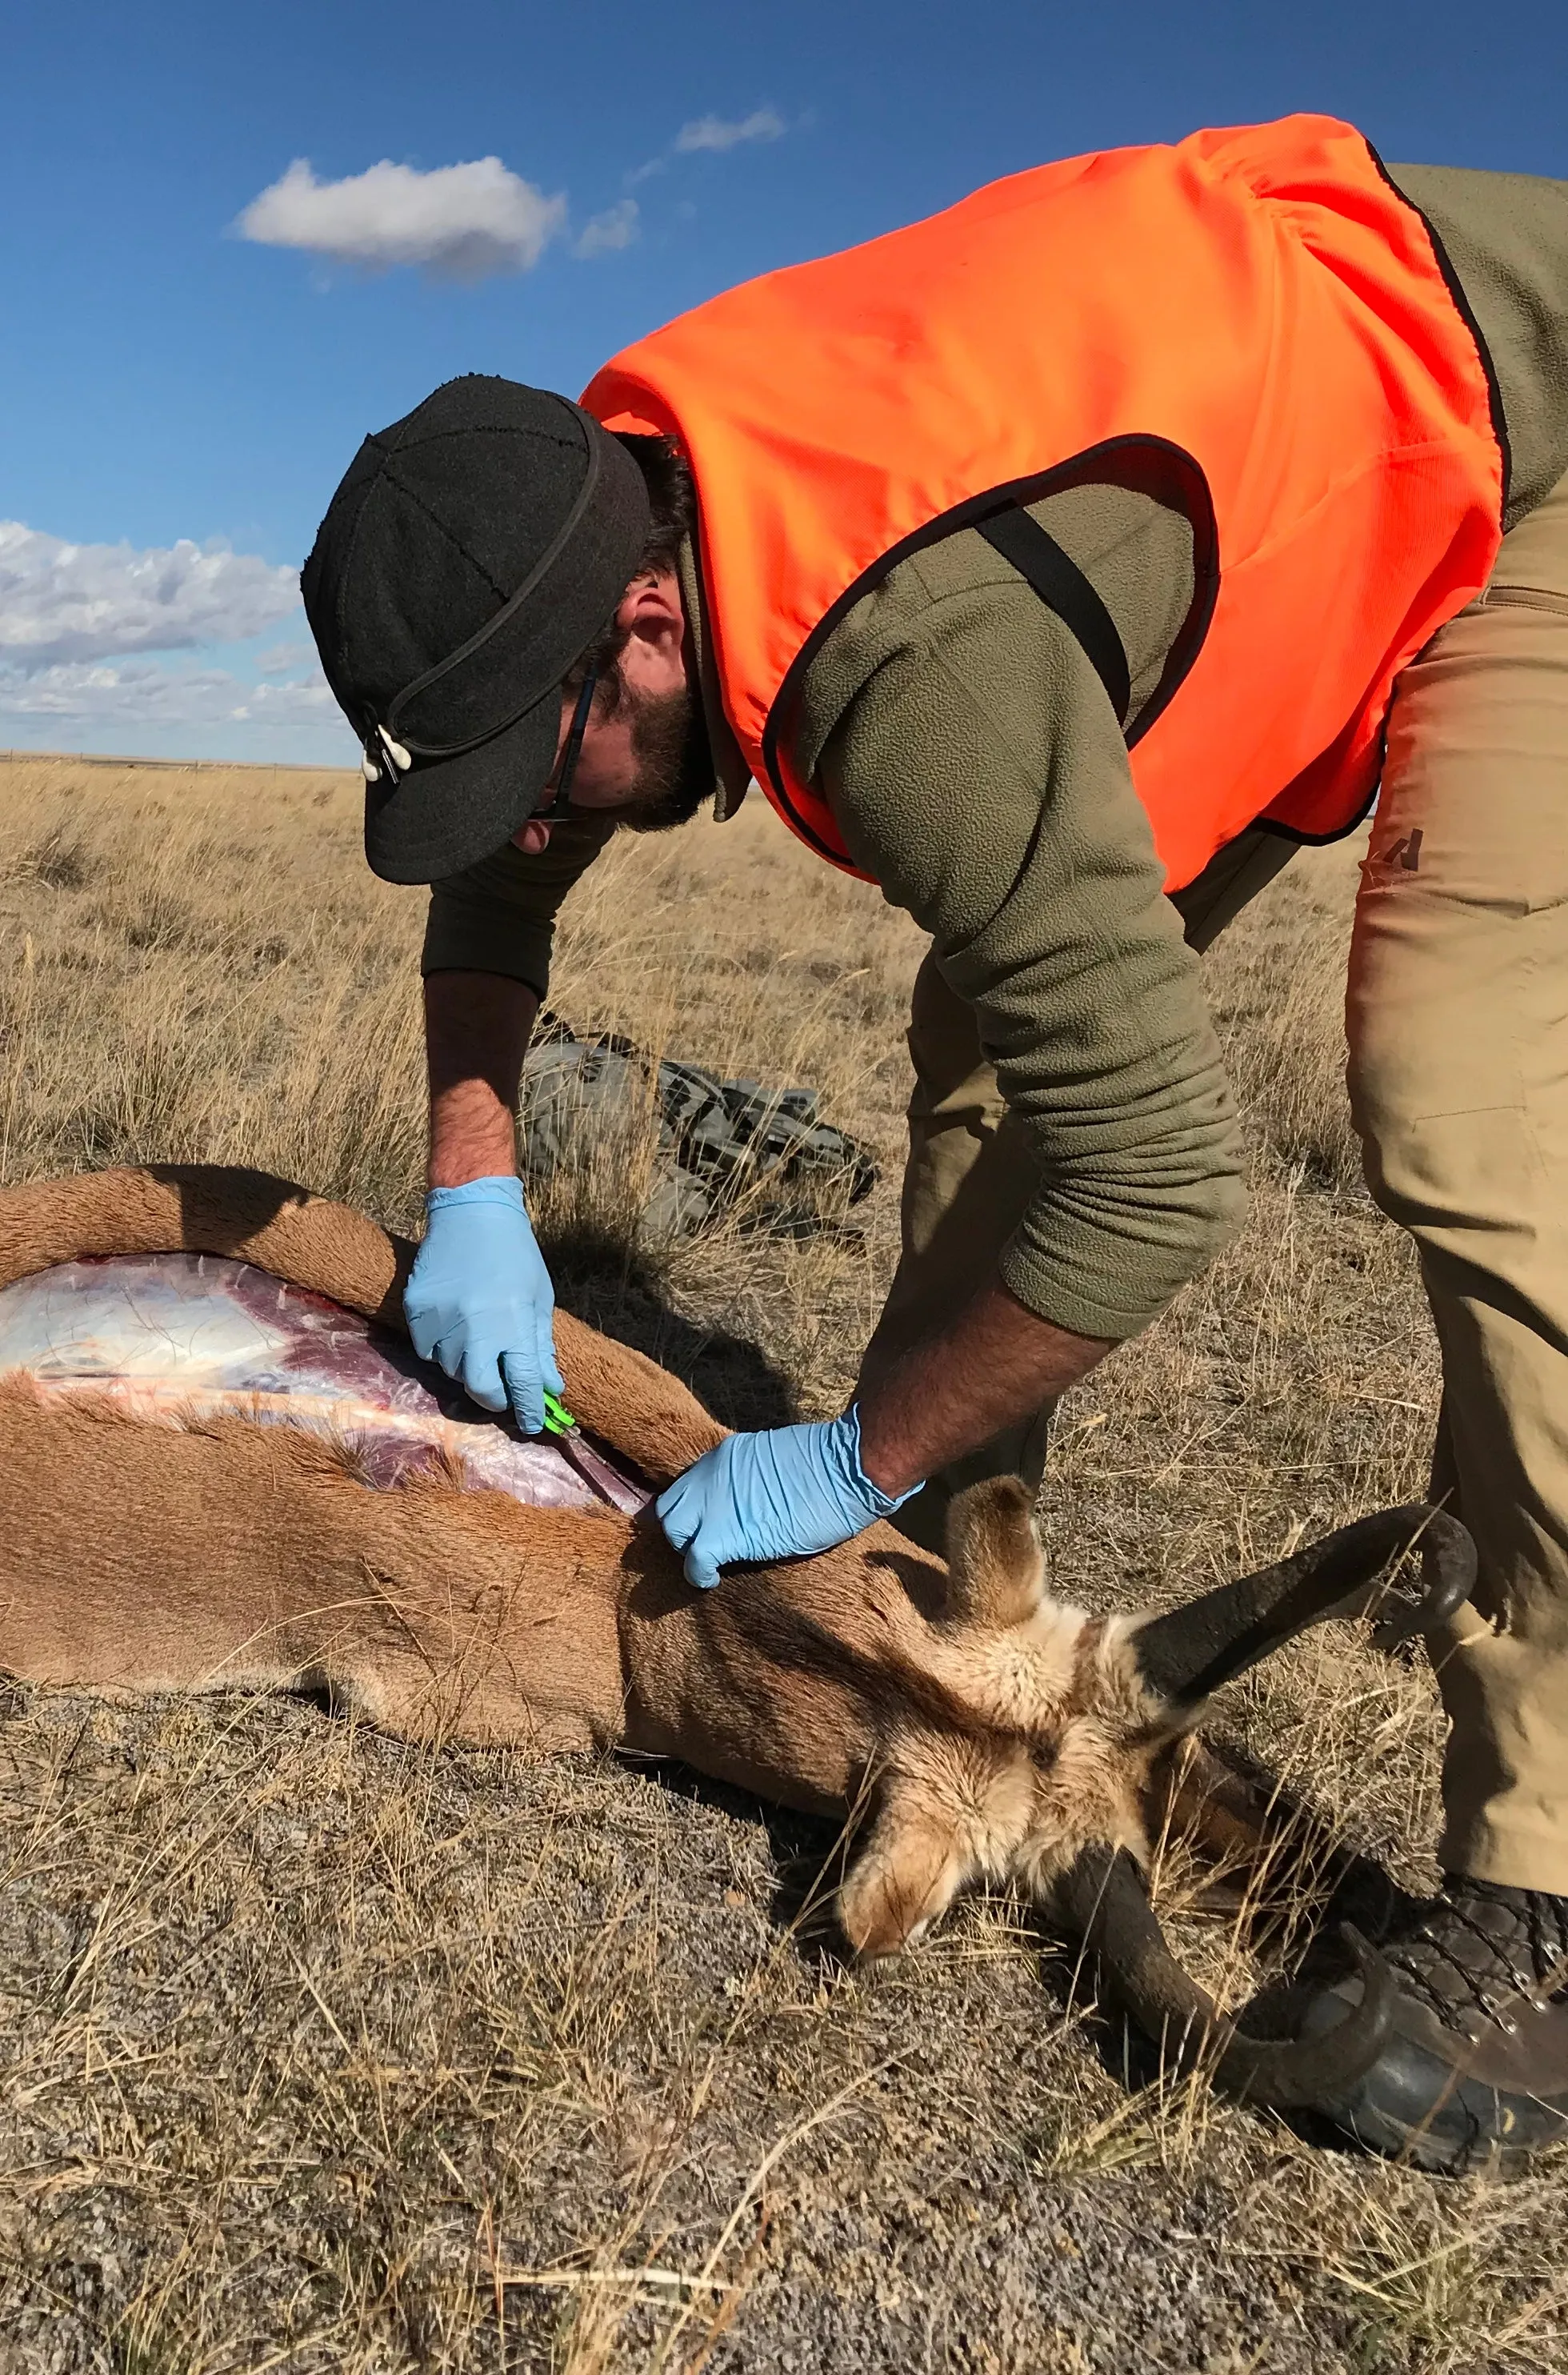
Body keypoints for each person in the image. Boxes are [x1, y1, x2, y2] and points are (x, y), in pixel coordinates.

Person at [302, 114, 1568, 2174]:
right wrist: (470, 1187)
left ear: (640, 625)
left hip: (1516, 441)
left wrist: (852, 1444)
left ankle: (1548, 1895)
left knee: (1468, 1099)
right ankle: (972, 1603)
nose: (520, 833)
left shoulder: (905, 670)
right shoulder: (600, 512)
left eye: (529, 777)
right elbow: (509, 858)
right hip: (1292, 507)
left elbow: (1160, 1167)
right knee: (986, 1023)